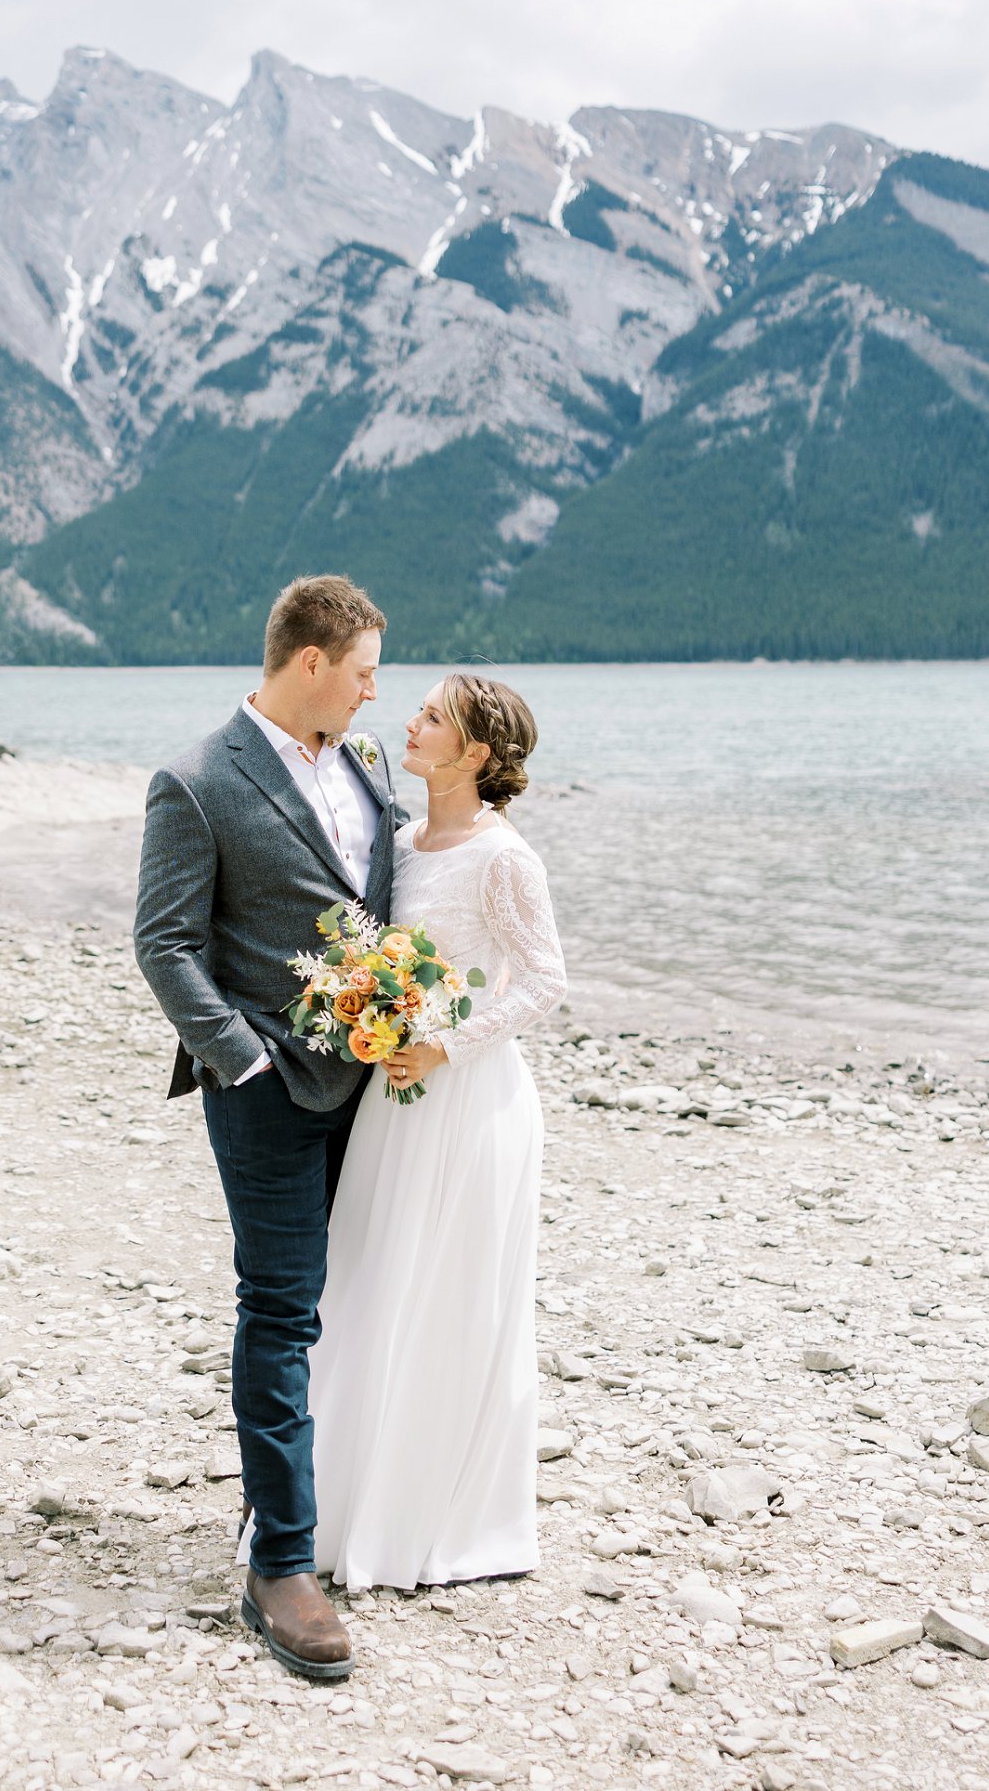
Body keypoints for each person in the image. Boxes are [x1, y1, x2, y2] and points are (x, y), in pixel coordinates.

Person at [134, 574, 404, 1681]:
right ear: (310, 664)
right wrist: (239, 1061)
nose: (375, 690)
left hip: (378, 1092)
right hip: (269, 1095)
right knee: (281, 1309)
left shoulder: (367, 765)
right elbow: (163, 943)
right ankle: (278, 1565)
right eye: (362, 671)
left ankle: (326, 1511)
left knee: (363, 1301)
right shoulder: (196, 781)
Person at [301, 671, 566, 1589]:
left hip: (468, 1101)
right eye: (413, 710)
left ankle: (444, 1519)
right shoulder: (404, 842)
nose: (407, 723)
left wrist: (445, 1048)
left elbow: (541, 981)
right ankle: (339, 1506)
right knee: (371, 1283)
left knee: (450, 1300)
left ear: (477, 753)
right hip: (395, 1096)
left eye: (431, 717)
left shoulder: (505, 858)